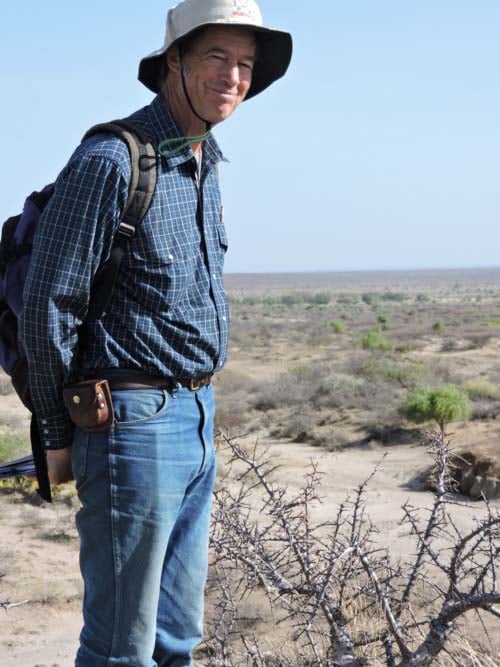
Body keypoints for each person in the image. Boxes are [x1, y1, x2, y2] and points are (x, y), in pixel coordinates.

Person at [19, 0, 292, 665]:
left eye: (247, 64)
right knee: (123, 647)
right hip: (129, 427)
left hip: (196, 418)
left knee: (176, 641)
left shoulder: (204, 163)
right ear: (174, 61)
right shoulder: (112, 159)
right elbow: (46, 305)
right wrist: (56, 435)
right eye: (217, 57)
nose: (234, 77)